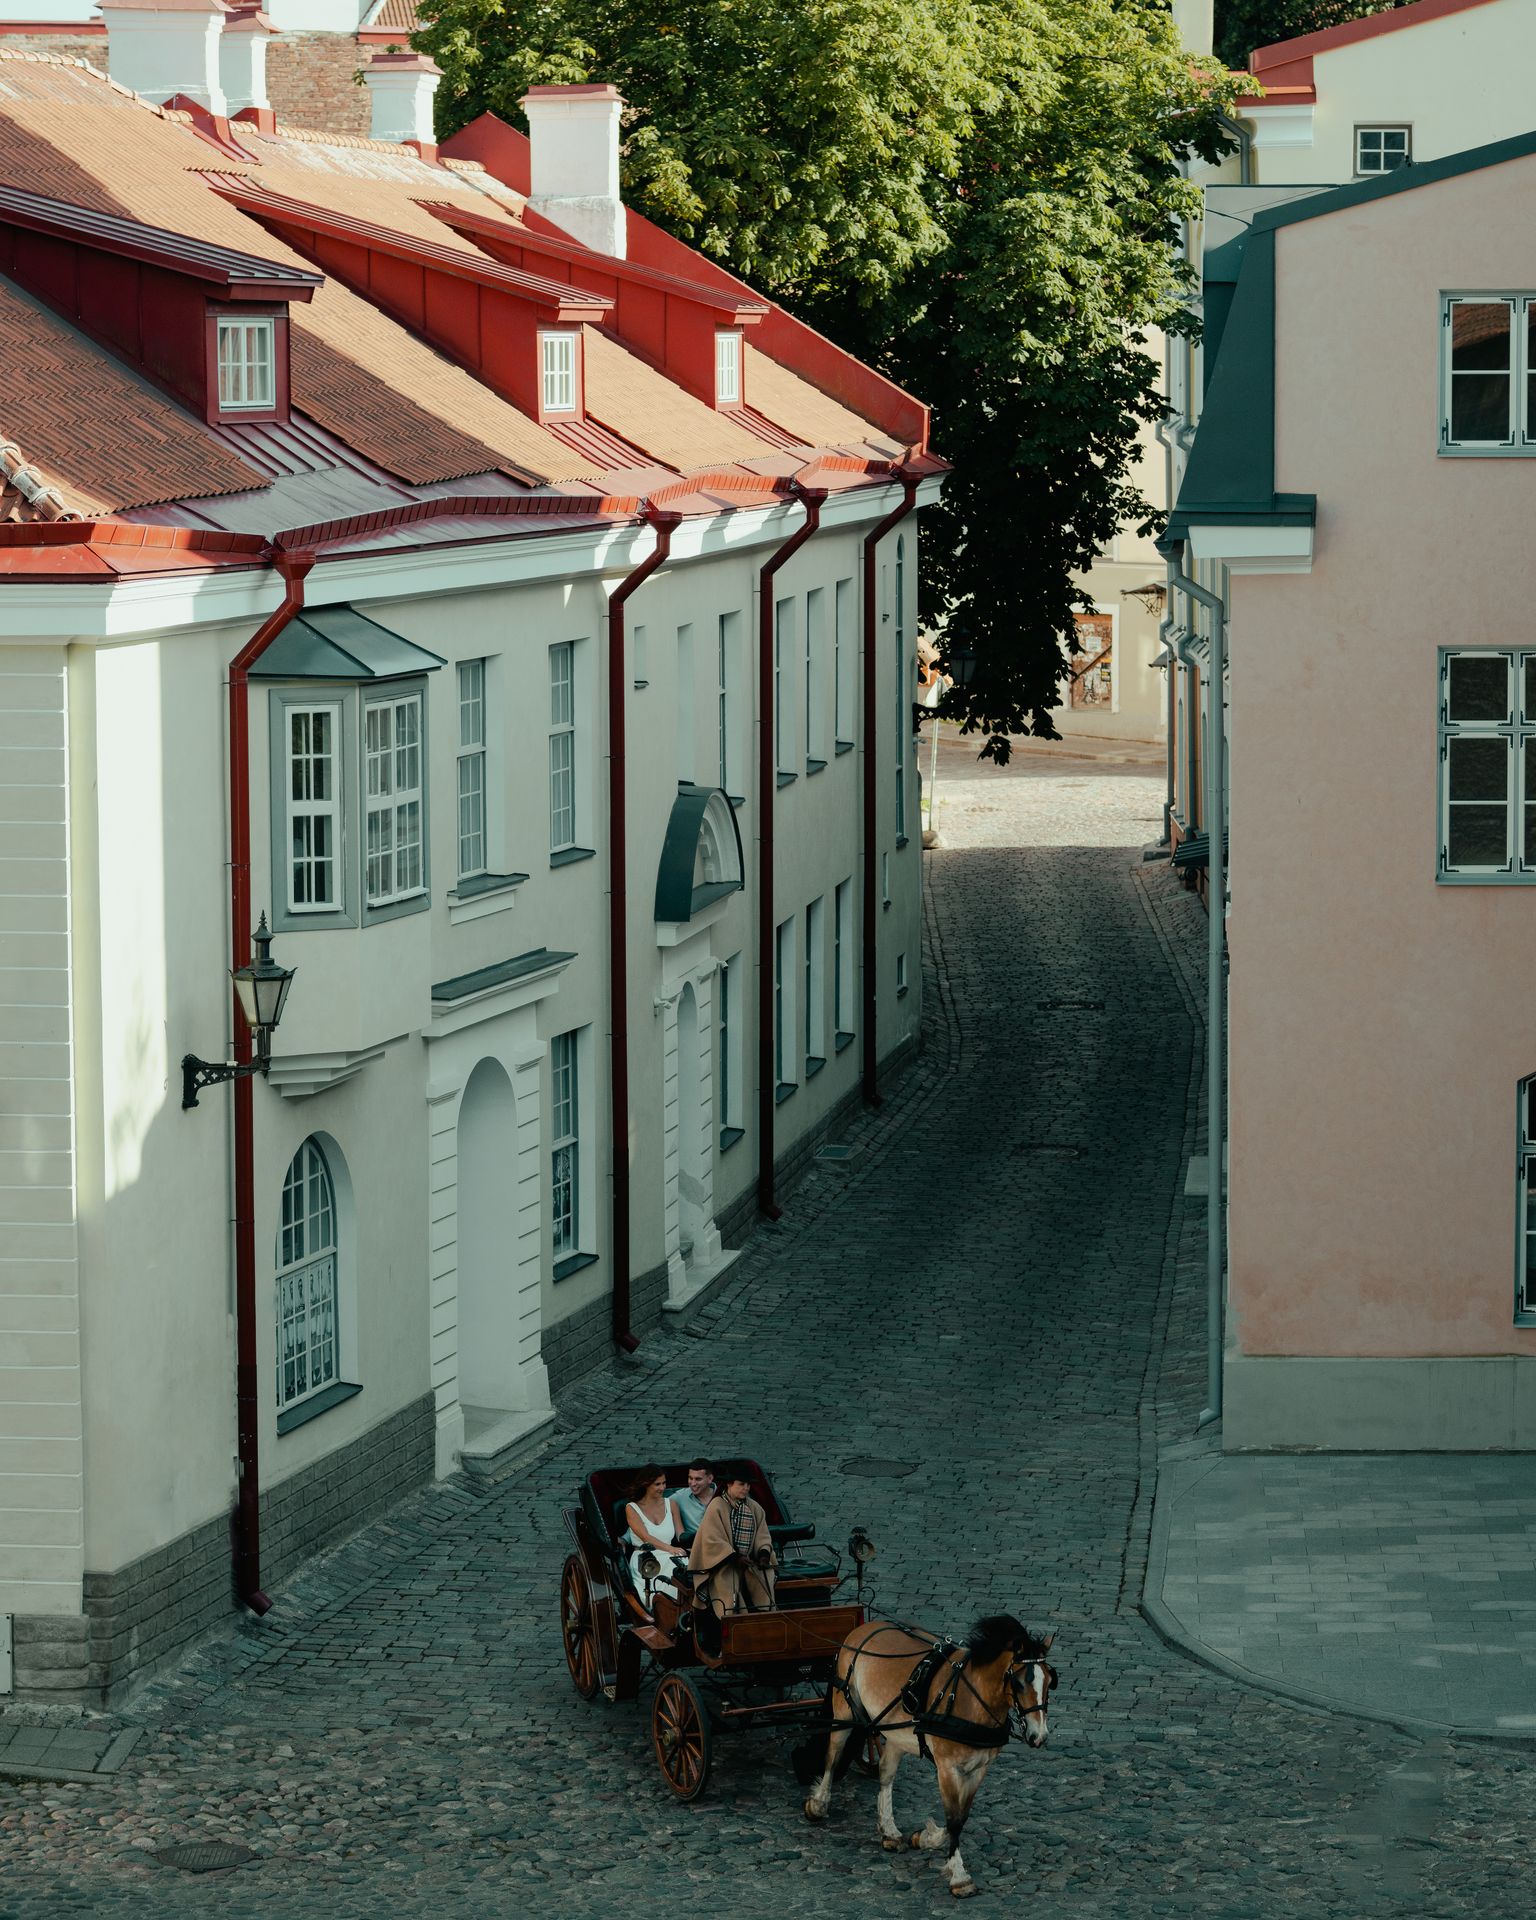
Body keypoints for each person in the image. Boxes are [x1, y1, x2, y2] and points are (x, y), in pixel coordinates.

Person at [689, 1468, 777, 1616]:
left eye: (748, 1485)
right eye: (741, 1484)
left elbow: (763, 1536)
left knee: (765, 1575)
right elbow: (713, 1540)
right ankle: (732, 1620)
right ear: (729, 1484)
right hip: (723, 1563)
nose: (746, 1488)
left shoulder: (754, 1507)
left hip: (749, 1561)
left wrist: (763, 1554)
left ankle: (765, 1615)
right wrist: (735, 1557)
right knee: (727, 1586)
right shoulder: (716, 1506)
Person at [623, 1465, 687, 1603]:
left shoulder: (672, 1504)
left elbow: (681, 1535)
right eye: (657, 1484)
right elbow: (645, 1537)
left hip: (672, 1555)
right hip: (646, 1558)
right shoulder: (632, 1508)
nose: (662, 1488)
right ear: (646, 1484)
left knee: (685, 1569)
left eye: (664, 1483)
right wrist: (670, 1549)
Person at [668, 1459, 716, 1544]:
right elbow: (658, 1504)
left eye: (698, 1479)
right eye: (690, 1478)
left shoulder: (723, 1495)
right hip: (695, 1547)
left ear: (710, 1478)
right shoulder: (680, 1497)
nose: (693, 1483)